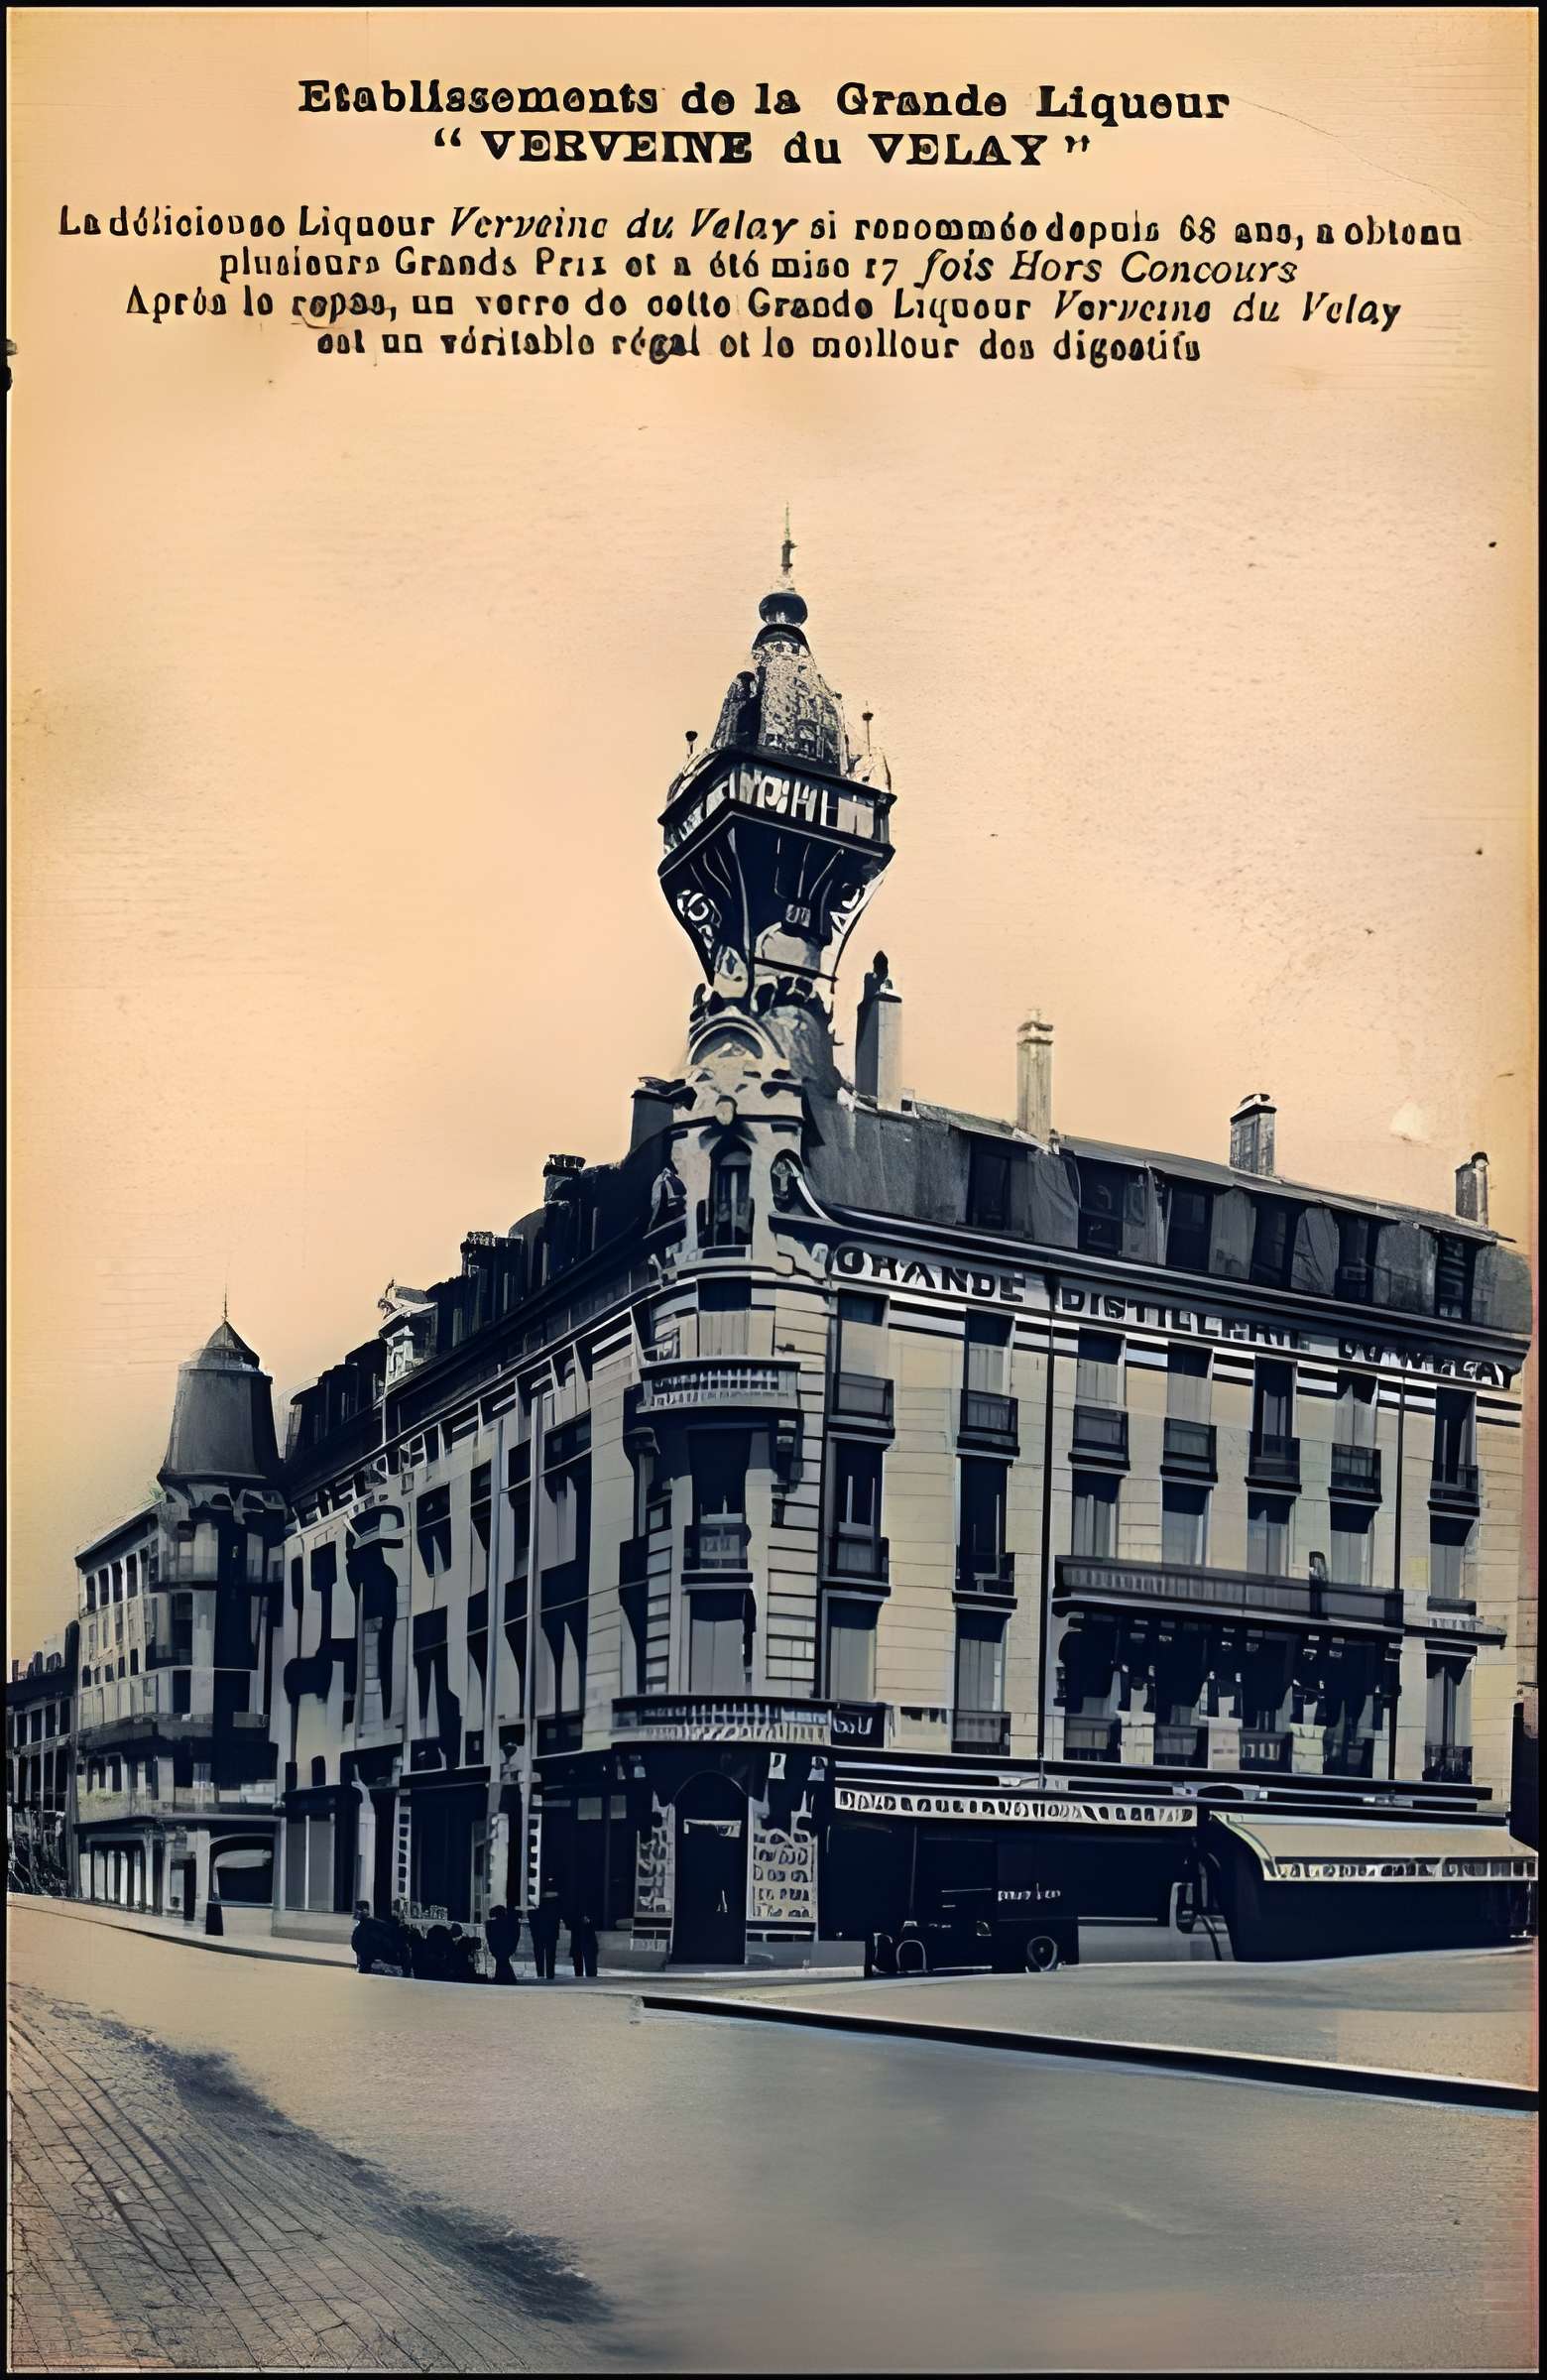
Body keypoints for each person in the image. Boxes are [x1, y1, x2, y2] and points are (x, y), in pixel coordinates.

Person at [529, 1883, 561, 1979]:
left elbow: (532, 1917)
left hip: (538, 1931)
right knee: (551, 1953)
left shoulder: (536, 1905)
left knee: (539, 1952)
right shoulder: (556, 1903)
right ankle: (550, 1974)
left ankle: (540, 1974)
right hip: (551, 1930)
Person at [485, 1901, 519, 1985]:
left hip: (497, 1946)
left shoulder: (490, 1924)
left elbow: (489, 1937)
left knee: (501, 1961)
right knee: (503, 1961)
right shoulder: (511, 1923)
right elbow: (515, 1935)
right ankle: (506, 1978)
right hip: (507, 1946)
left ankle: (503, 1978)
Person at [569, 1906, 599, 1979]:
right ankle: (587, 1972)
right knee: (583, 1946)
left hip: (580, 1915)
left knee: (584, 1945)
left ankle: (586, 1972)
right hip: (577, 1915)